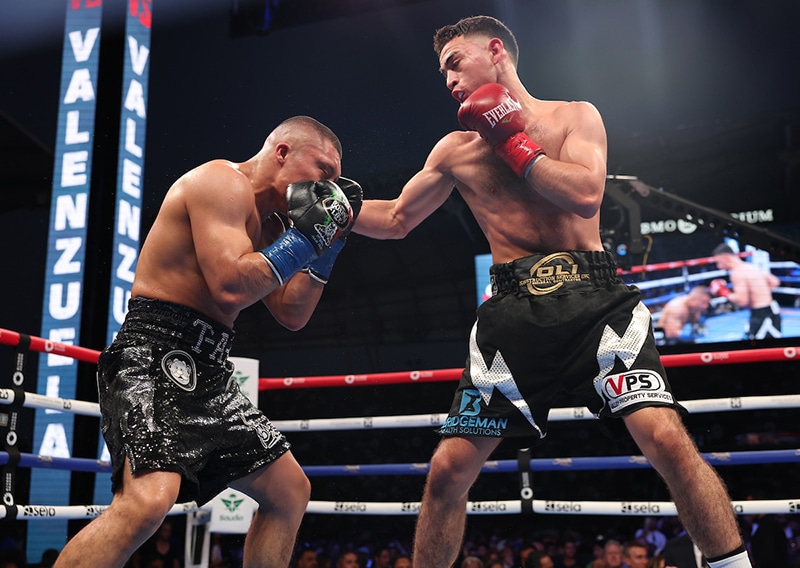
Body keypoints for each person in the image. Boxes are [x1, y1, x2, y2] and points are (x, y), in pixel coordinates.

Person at [352, 15, 750, 568]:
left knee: (666, 438)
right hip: (512, 314)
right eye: (442, 72)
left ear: (496, 52)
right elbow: (395, 218)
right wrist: (333, 211)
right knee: (447, 470)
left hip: (595, 302)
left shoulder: (574, 117)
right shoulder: (454, 150)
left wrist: (512, 141)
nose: (447, 80)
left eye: (454, 63)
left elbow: (586, 194)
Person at [53, 116, 360, 568]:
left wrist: (326, 247)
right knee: (148, 501)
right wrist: (303, 240)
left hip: (212, 366)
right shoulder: (220, 182)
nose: (327, 188)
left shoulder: (275, 227)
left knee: (289, 492)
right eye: (323, 172)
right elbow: (231, 287)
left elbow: (292, 313)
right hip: (154, 351)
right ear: (282, 153)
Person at [710, 244, 781, 339]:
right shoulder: (751, 267)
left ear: (726, 257)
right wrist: (760, 293)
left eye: (719, 262)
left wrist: (724, 292)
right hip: (772, 310)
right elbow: (774, 281)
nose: (719, 266)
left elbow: (743, 301)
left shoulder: (737, 273)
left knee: (757, 349)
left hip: (760, 314)